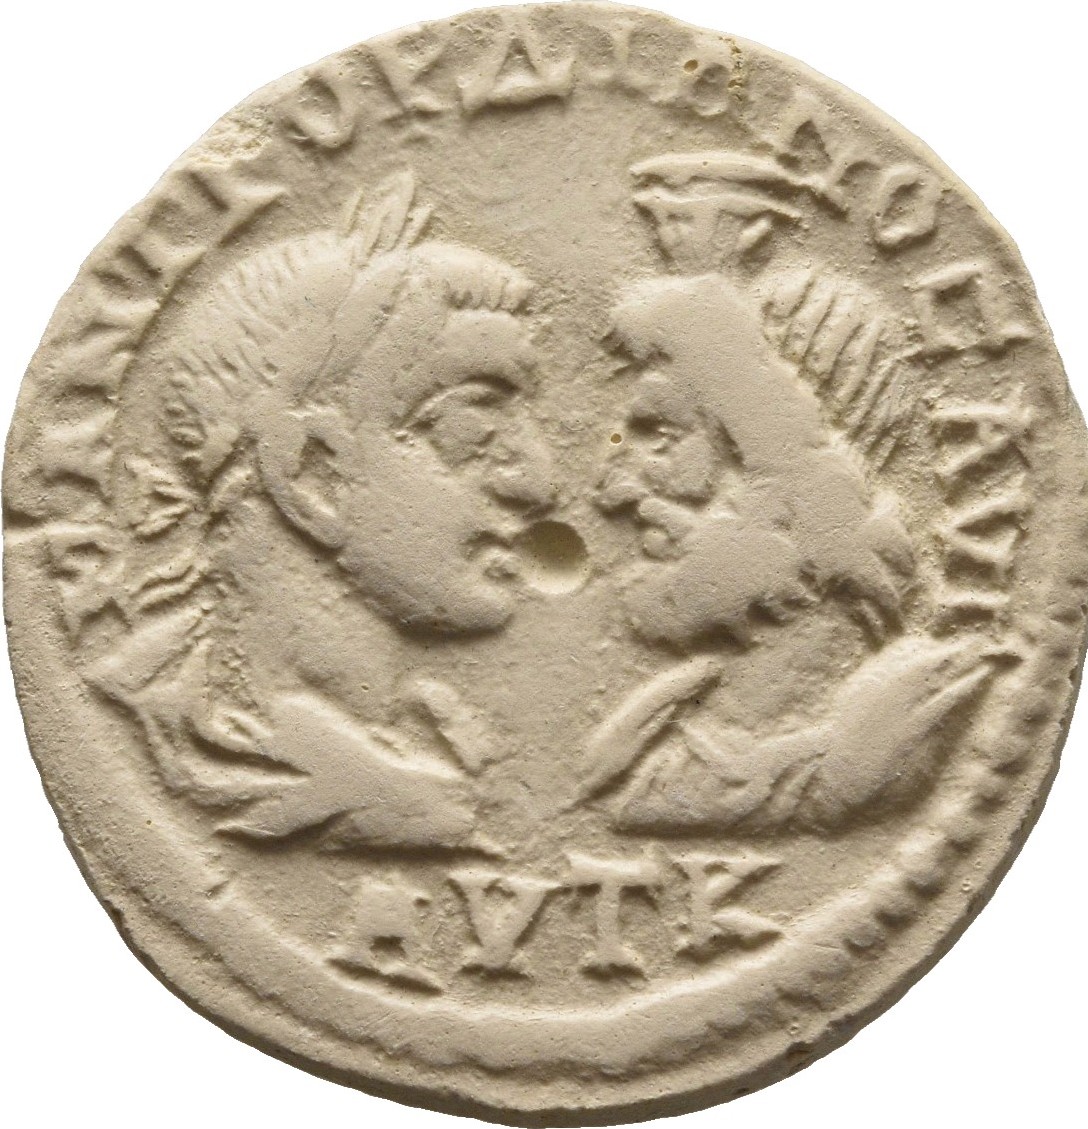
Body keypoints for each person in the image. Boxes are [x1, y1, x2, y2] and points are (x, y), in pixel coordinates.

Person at [88, 174, 556, 846]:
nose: (539, 484)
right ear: (310, 476)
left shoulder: (432, 733)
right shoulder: (204, 749)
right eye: (471, 427)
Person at [579, 273, 1010, 833]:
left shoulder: (897, 737)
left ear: (805, 492)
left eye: (661, 436)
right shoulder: (651, 739)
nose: (611, 489)